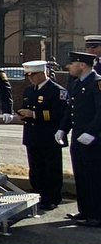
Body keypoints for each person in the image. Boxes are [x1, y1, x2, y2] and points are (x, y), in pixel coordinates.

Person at [57, 52, 101, 226]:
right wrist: (62, 128)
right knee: (81, 175)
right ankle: (85, 211)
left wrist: (92, 132)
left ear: (82, 65)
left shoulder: (97, 83)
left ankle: (96, 215)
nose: (69, 67)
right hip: (78, 137)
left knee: (94, 177)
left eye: (72, 63)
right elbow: (71, 110)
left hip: (93, 139)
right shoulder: (77, 83)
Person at [17, 60, 68, 210]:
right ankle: (38, 194)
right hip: (32, 135)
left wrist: (34, 114)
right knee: (36, 168)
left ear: (42, 73)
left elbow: (60, 114)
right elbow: (24, 107)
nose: (30, 78)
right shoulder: (29, 90)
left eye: (32, 75)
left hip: (48, 136)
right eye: (28, 75)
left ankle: (52, 198)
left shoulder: (56, 91)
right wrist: (22, 114)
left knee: (51, 169)